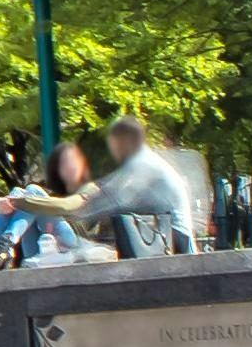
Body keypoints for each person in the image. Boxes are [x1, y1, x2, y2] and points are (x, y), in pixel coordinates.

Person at [49, 112, 211, 261]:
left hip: (172, 237)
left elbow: (115, 196)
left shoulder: (142, 163)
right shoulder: (144, 160)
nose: (114, 149)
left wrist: (77, 213)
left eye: (115, 143)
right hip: (167, 234)